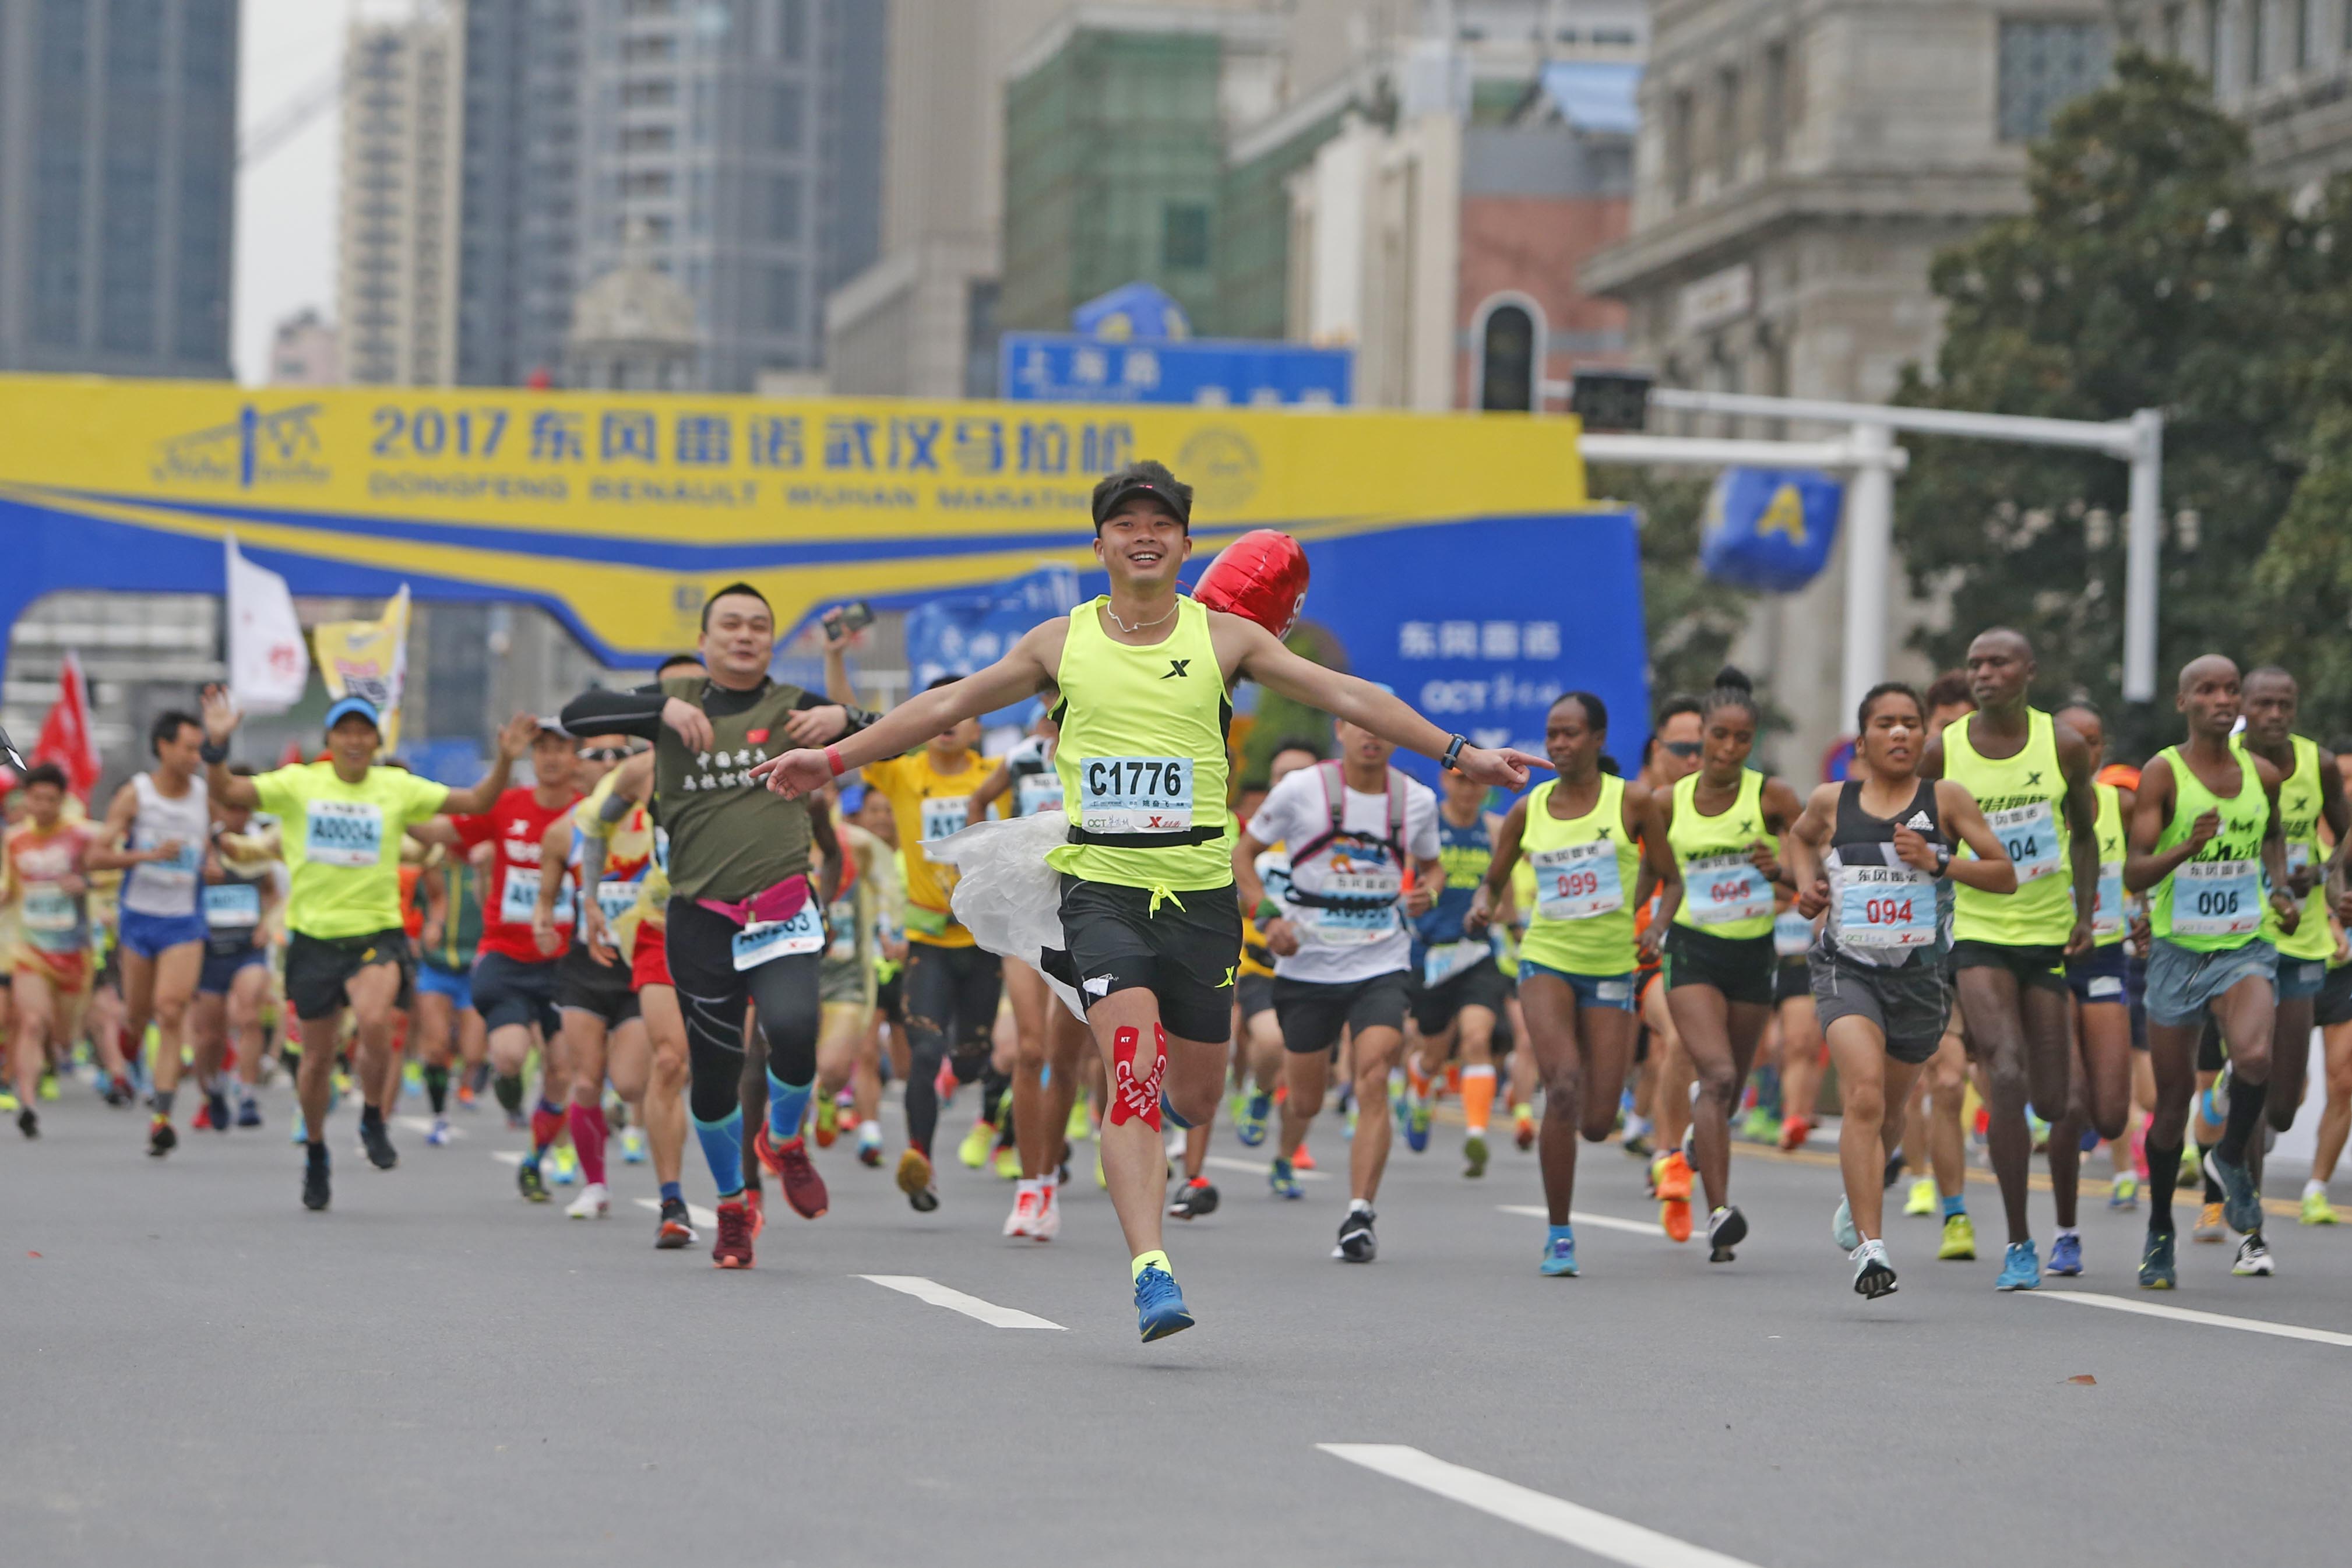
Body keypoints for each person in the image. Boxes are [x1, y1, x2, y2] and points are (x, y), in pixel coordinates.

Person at [751, 460, 1543, 1338]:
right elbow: (951, 703)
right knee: (1133, 1074)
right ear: (1099, 544)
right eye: (1125, 521)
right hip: (1104, 890)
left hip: (1202, 897)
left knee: (1196, 1097)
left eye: (1160, 522)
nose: (1143, 533)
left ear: (1185, 543)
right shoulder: (1060, 643)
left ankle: (1164, 1121)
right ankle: (1151, 1267)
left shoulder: (1227, 639)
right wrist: (833, 760)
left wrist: (1458, 749)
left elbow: (1347, 694)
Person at [561, 584, 861, 1269]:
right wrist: (661, 704)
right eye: (730, 624)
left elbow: (899, 729)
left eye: (759, 625)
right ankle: (731, 1205)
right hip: (699, 919)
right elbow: (578, 716)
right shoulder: (670, 712)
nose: (745, 635)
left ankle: (783, 1142)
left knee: (792, 1031)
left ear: (771, 641)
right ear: (705, 641)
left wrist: (846, 717)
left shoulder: (796, 709)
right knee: (716, 1075)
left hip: (783, 904)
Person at [201, 688, 533, 1211]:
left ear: (377, 741)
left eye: (364, 732)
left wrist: (509, 760)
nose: (355, 741)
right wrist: (217, 742)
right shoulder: (299, 783)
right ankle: (315, 1150)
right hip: (313, 938)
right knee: (315, 1060)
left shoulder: (395, 787)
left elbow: (476, 803)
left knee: (377, 1021)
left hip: (377, 932)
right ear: (330, 740)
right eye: (345, 732)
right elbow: (226, 789)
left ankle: (374, 1116)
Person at [1791, 682, 2015, 1299]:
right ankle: (1870, 1247)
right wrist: (1807, 888)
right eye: (1885, 724)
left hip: (1918, 980)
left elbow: (2004, 875)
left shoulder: (1945, 800)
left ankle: (1855, 1196)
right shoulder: (1832, 801)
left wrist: (1939, 863)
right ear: (1861, 740)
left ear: (1925, 737)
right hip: (1847, 968)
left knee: (1888, 1111)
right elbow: (1799, 839)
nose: (1899, 733)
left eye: (1910, 724)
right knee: (1862, 1096)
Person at [1465, 691, 1681, 1277]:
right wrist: (1482, 907)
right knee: (1560, 1085)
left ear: (1598, 739)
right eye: (1551, 734)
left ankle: (1604, 1106)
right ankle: (1559, 1234)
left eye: (1570, 734)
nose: (1558, 744)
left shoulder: (1631, 801)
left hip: (1612, 966)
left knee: (1595, 1119)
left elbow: (1670, 879)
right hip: (1546, 961)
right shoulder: (1528, 809)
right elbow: (1492, 881)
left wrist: (1656, 928)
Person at [1923, 629, 2101, 1290]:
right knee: (2003, 1067)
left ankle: (2053, 1221)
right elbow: (1906, 827)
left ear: (2029, 670)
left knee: (2058, 1102)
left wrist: (2085, 914)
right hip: (1976, 930)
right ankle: (2019, 1242)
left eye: (1998, 663)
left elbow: (2083, 835)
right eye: (1974, 664)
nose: (1984, 673)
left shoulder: (2062, 745)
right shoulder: (1943, 750)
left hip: (2046, 932)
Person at [1234, 711, 1443, 1263]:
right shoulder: (1303, 790)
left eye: (1384, 725)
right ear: (1341, 730)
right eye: (1361, 724)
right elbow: (1243, 857)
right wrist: (1267, 915)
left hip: (1381, 958)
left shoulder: (1415, 800)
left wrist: (1429, 892)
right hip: (1307, 964)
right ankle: (1266, 1098)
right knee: (1304, 1098)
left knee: (1374, 1073)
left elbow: (1433, 867)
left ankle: (1359, 1213)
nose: (1373, 734)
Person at [2125, 655, 2298, 1288]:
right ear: (2183, 703)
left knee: (2254, 1058)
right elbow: (2135, 872)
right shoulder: (2161, 775)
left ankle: (2229, 1157)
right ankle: (2160, 1230)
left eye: (2231, 689)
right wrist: (2185, 848)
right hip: (2176, 952)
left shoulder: (2262, 774)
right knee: (2172, 1106)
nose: (2223, 699)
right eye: (2207, 689)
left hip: (2242, 946)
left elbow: (2272, 837)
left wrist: (2279, 888)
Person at [1649, 668, 1804, 1258]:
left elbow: (1811, 864)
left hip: (1752, 952)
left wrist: (1783, 873)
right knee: (1712, 1076)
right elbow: (1656, 877)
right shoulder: (1668, 803)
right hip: (1692, 951)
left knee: (1729, 1087)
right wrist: (1650, 927)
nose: (1728, 749)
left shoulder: (1773, 797)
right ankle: (1718, 1212)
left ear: (1753, 740)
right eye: (1718, 736)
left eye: (1742, 739)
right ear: (1704, 735)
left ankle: (1698, 1139)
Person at [410, 720, 583, 1203]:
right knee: (508, 1056)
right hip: (507, 956)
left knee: (562, 1071)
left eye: (561, 748)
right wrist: (393, 807)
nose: (551, 757)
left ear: (576, 757)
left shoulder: (590, 813)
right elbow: (442, 829)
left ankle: (534, 1160)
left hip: (566, 960)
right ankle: (507, 1086)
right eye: (542, 747)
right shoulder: (508, 805)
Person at [861, 679, 1008, 1213]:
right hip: (925, 943)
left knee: (970, 1062)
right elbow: (852, 722)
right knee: (923, 1052)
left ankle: (962, 1075)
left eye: (963, 708)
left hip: (984, 941)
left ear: (977, 723)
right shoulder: (903, 773)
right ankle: (919, 1161)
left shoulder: (996, 778)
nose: (948, 718)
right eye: (937, 708)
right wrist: (835, 657)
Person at [965, 704, 1094, 1239]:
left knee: (1065, 1060)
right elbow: (977, 801)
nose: (1057, 715)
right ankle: (1026, 1185)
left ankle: (1047, 1183)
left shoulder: (1102, 760)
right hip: (1025, 914)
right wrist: (985, 863)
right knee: (1029, 1049)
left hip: (1086, 913)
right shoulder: (1020, 759)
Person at [2231, 669, 2348, 1221]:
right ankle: (2247, 1208)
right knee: (2253, 1064)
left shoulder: (2319, 763)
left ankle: (2238, 1111)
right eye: (2264, 704)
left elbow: (2345, 835)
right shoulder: (2218, 761)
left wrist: (2333, 880)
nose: (2275, 714)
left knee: (2281, 1107)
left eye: (2286, 703)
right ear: (2244, 708)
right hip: (2234, 937)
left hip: (2301, 937)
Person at [531, 732, 654, 1221]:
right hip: (586, 965)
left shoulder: (655, 820)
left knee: (628, 1084)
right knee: (586, 1081)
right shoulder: (563, 832)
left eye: (619, 755)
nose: (608, 763)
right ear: (578, 769)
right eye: (596, 755)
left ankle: (622, 1115)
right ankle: (595, 1184)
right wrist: (543, 920)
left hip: (641, 965)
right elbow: (545, 896)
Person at [94, 710, 213, 1157]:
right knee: (139, 1015)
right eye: (188, 747)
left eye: (200, 748)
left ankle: (162, 1117)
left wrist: (217, 862)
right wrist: (146, 855)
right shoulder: (136, 795)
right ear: (163, 746)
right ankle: (128, 1038)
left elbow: (220, 843)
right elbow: (96, 855)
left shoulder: (205, 796)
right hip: (139, 918)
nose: (196, 756)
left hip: (184, 920)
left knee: (170, 1010)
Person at [1897, 671, 1978, 1259]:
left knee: (2000, 1080)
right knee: (1945, 1081)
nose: (1951, 736)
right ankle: (1951, 1208)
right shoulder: (1909, 790)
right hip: (1934, 950)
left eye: (1962, 726)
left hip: (2002, 944)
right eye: (1942, 726)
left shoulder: (1991, 786)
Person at [2051, 703, 2142, 1231]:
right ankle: (2066, 1231)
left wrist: (2146, 911)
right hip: (2050, 962)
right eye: (2073, 739)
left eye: (2094, 740)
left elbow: (2148, 860)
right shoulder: (2032, 807)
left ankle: (2083, 1132)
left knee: (2109, 1114)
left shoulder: (2120, 804)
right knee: (2072, 1097)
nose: (2085, 750)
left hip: (2107, 955)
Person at [1408, 763, 1512, 1178]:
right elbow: (1404, 884)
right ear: (1444, 781)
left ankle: (1476, 1134)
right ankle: (1418, 1094)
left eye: (1475, 782)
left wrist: (1492, 911)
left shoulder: (1496, 829)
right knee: (1433, 1052)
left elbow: (1509, 900)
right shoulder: (1424, 828)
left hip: (1477, 954)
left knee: (1476, 1037)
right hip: (1432, 954)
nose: (1468, 790)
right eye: (1460, 780)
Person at [3, 764, 100, 1139]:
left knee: (61, 1036)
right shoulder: (14, 840)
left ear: (63, 801)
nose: (43, 806)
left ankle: (54, 1059)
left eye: (51, 800)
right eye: (37, 798)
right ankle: (27, 1102)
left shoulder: (82, 837)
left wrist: (86, 883)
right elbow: (11, 889)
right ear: (26, 799)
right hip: (30, 949)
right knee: (30, 1021)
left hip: (74, 953)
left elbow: (112, 873)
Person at [192, 769, 280, 1132]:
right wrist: (199, 876)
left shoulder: (259, 847)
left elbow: (273, 892)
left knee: (248, 1016)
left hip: (247, 948)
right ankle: (212, 1090)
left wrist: (267, 924)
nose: (238, 815)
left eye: (245, 809)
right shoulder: (202, 846)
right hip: (210, 950)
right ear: (217, 808)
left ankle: (247, 1095)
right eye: (231, 808)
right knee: (210, 1034)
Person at [413, 839, 488, 1143]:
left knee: (472, 1052)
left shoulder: (482, 869)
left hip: (474, 968)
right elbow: (412, 907)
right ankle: (439, 1115)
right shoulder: (431, 869)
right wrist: (421, 932)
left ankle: (466, 1082)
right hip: (436, 967)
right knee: (436, 1046)